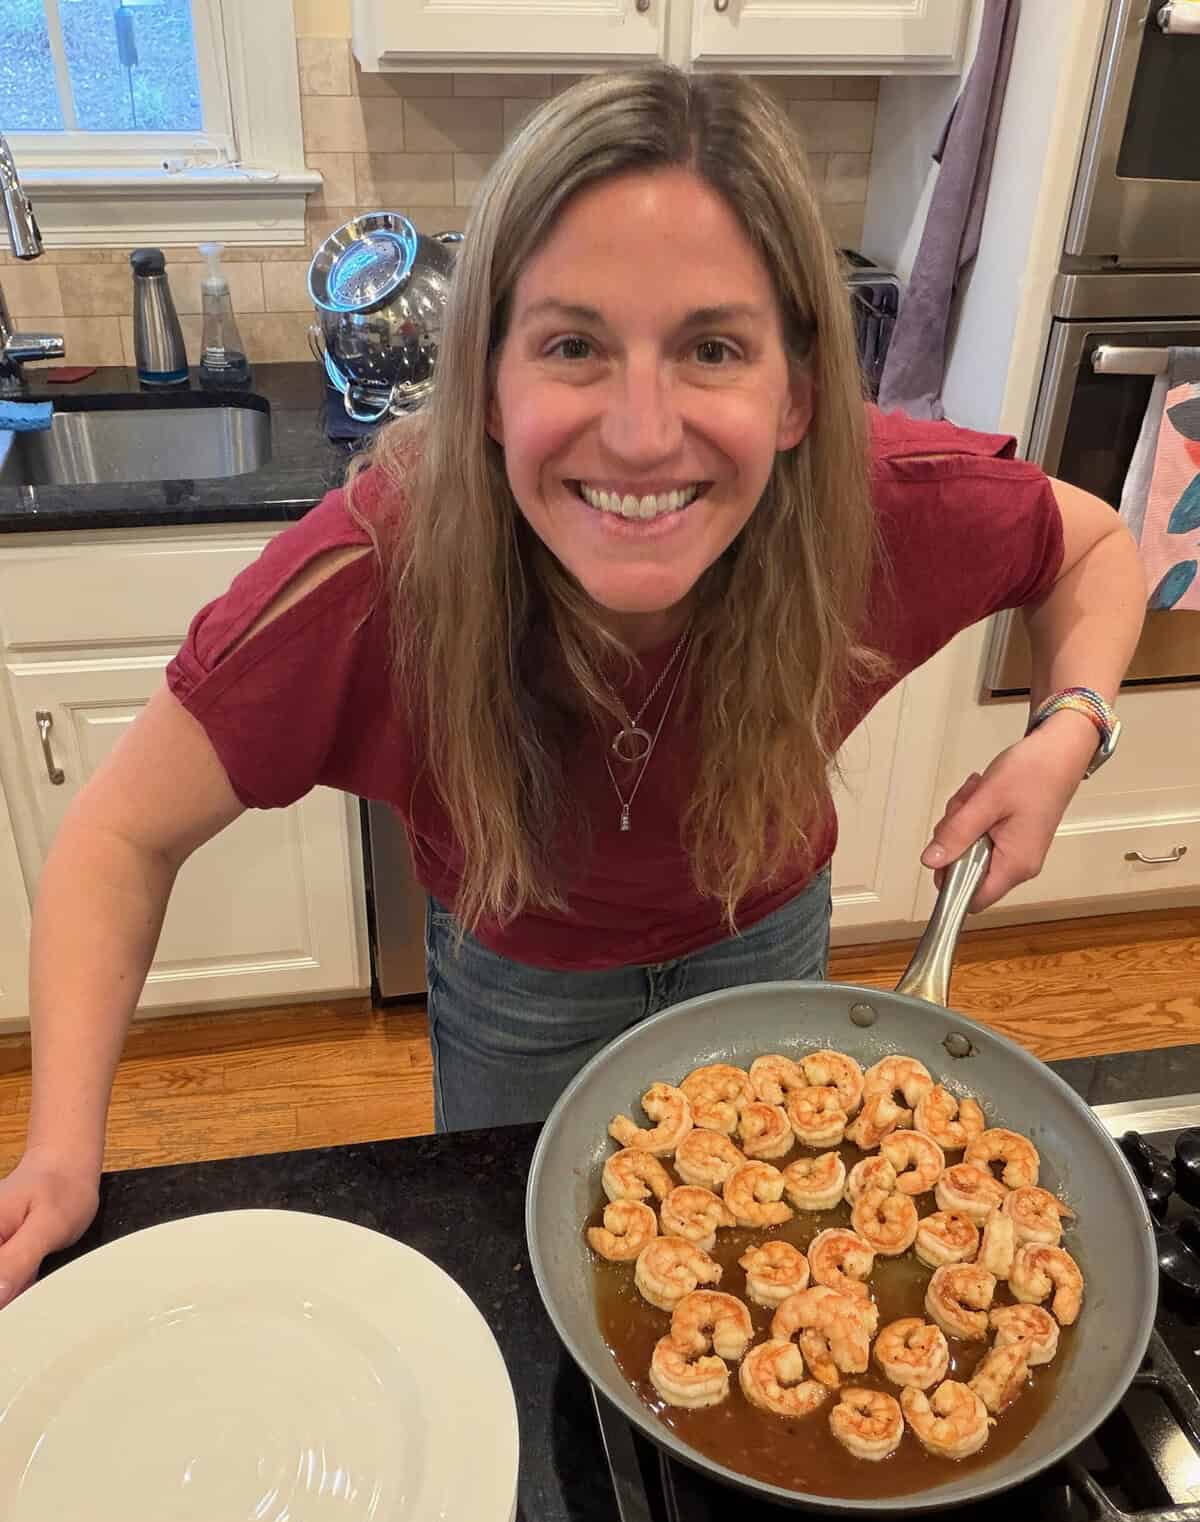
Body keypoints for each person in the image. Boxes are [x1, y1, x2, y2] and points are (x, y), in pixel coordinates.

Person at [0, 66, 1143, 1307]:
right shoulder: (370, 575)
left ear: (798, 394)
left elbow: (1094, 548)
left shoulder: (881, 510)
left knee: (760, 1268)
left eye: (713, 347)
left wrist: (1068, 727)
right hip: (517, 987)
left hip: (769, 939)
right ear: (488, 384)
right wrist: (60, 1154)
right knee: (534, 1286)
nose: (642, 434)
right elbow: (119, 833)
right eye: (573, 346)